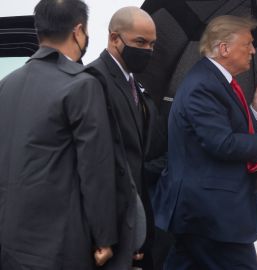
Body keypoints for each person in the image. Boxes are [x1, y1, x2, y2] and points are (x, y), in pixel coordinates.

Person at [157, 15, 257, 270]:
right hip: (210, 216)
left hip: (204, 214)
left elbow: (226, 129)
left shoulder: (216, 81)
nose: (253, 50)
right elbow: (221, 143)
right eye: (247, 43)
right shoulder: (203, 85)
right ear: (224, 48)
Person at [0, 0, 116, 269]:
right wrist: (104, 237)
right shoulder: (81, 85)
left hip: (10, 241)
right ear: (78, 31)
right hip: (59, 245)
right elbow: (95, 170)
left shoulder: (6, 85)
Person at [88, 6, 161, 270]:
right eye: (140, 42)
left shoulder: (138, 87)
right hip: (114, 223)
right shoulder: (93, 80)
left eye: (152, 44)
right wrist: (106, 235)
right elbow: (96, 163)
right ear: (114, 38)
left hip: (140, 216)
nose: (147, 51)